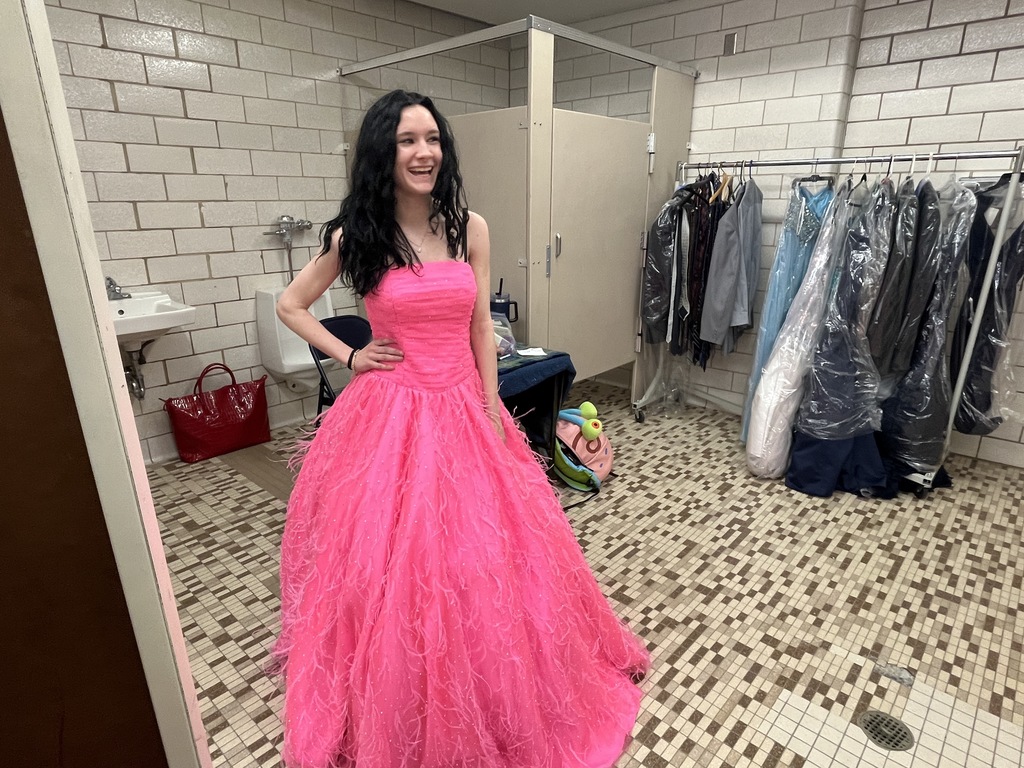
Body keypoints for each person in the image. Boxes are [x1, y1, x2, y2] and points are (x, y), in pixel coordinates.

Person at [272, 89, 649, 768]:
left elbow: (479, 323)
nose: (424, 153)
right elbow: (291, 305)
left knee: (486, 560)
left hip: (463, 406)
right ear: (383, 153)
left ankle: (498, 687)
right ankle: (399, 699)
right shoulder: (356, 234)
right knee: (396, 569)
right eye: (407, 141)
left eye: (433, 140)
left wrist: (487, 405)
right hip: (388, 417)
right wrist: (352, 355)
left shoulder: (469, 226)